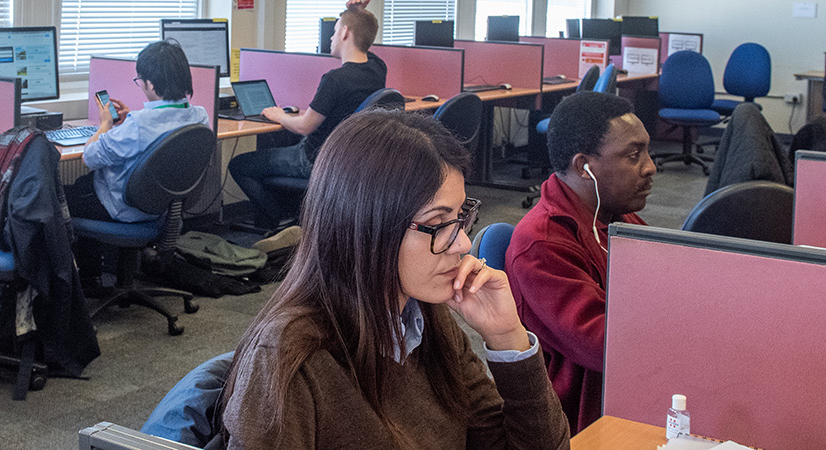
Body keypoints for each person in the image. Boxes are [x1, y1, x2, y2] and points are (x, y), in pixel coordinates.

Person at [220, 110, 570, 449]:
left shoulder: (426, 322)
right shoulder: (291, 360)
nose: (463, 242)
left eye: (462, 217)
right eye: (439, 222)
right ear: (367, 228)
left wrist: (507, 337)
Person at [504, 92, 654, 433]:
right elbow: (606, 344)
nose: (650, 167)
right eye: (633, 155)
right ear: (583, 167)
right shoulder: (542, 244)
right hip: (581, 422)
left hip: (629, 393)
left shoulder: (617, 217)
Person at [227, 0, 386, 229]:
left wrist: (278, 115)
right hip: (349, 160)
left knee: (240, 165)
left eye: (333, 32)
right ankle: (293, 218)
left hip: (314, 160)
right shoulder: (377, 68)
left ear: (344, 32)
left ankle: (278, 220)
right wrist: (358, 15)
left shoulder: (335, 79)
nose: (330, 39)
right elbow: (364, 36)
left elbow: (304, 127)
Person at [66, 39, 209, 223]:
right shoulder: (200, 116)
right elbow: (162, 126)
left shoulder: (138, 125)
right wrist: (130, 120)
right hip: (164, 207)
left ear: (149, 83)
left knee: (57, 199)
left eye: (139, 80)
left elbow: (89, 158)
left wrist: (105, 125)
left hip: (122, 209)